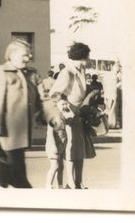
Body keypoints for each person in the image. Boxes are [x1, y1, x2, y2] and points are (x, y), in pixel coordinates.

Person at [0, 39, 44, 188]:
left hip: (19, 138)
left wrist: (53, 116)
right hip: (6, 137)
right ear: (11, 55)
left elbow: (42, 101)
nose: (28, 58)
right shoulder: (1, 72)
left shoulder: (31, 74)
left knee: (3, 181)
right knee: (19, 182)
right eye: (24, 55)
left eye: (29, 55)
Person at [49, 42, 95, 189]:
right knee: (71, 150)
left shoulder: (80, 71)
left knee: (80, 150)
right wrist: (65, 107)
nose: (88, 60)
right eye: (87, 57)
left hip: (79, 116)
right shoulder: (67, 72)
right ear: (82, 57)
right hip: (69, 117)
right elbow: (55, 94)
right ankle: (70, 182)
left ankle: (78, 181)